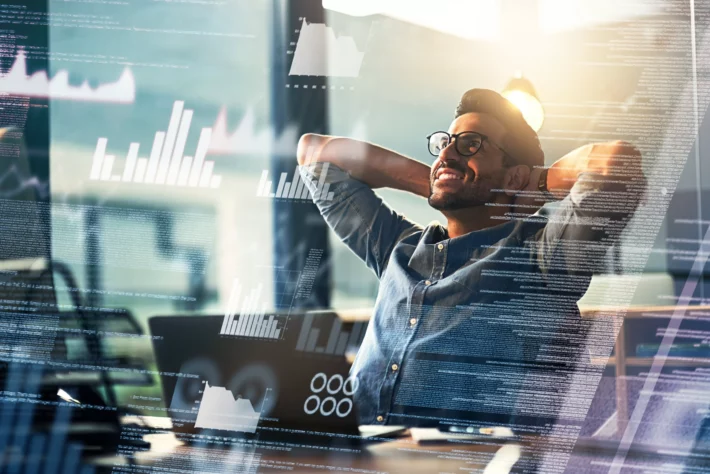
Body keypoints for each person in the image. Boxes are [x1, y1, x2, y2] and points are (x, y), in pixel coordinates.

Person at [296, 89, 645, 430]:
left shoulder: (542, 254)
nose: (447, 152)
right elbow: (315, 152)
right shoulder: (398, 247)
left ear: (514, 174)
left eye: (470, 144)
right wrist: (444, 180)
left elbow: (615, 162)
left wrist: (533, 184)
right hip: (355, 453)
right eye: (446, 143)